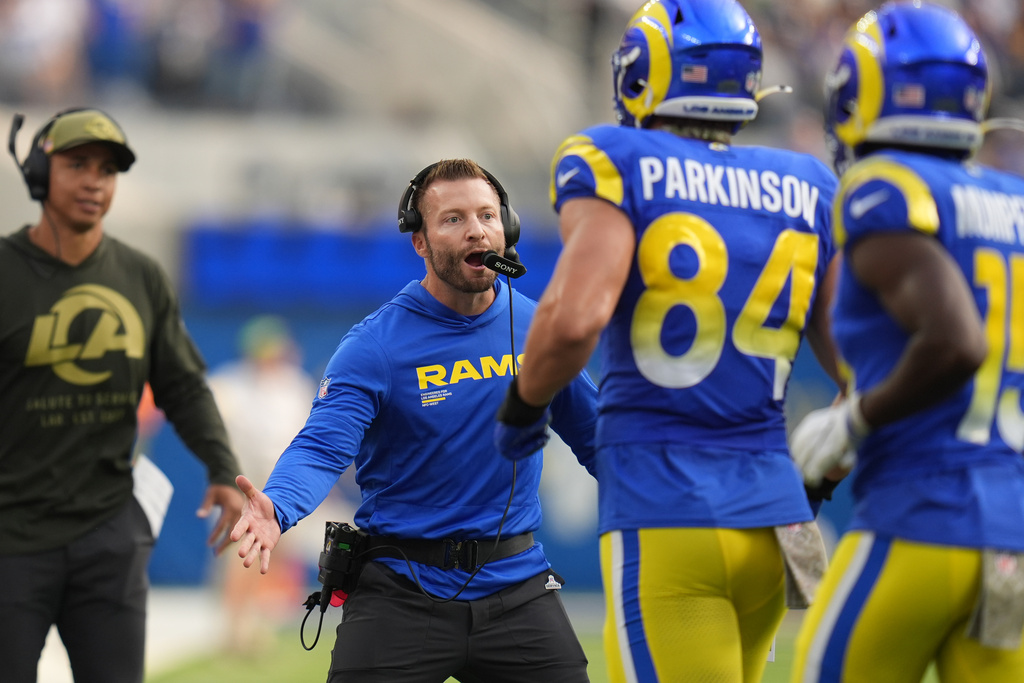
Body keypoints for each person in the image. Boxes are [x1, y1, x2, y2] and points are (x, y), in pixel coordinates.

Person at [493, 1, 844, 681]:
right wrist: (825, 467)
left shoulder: (615, 156)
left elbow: (573, 319)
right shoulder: (807, 182)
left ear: (640, 75)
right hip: (774, 517)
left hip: (667, 506)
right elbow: (866, 371)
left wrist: (521, 411)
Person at [230, 158, 599, 683]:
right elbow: (320, 448)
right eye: (452, 219)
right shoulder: (374, 345)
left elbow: (600, 441)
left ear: (507, 229)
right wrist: (279, 507)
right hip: (401, 593)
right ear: (420, 242)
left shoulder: (539, 327)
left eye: (488, 216)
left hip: (517, 588)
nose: (476, 229)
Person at [788, 3, 1024, 681]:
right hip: (1012, 535)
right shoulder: (1013, 197)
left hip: (922, 517)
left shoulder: (885, 187)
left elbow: (956, 342)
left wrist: (857, 417)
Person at [0, 107, 245, 683]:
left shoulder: (140, 275)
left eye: (108, 170)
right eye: (77, 164)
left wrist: (221, 465)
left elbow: (182, 383)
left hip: (107, 538)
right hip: (9, 540)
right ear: (39, 172)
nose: (94, 181)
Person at [209, 314, 352, 653]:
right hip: (249, 483)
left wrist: (319, 483)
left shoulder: (293, 384)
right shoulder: (232, 385)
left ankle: (258, 624)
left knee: (285, 552)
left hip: (290, 482)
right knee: (241, 556)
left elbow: (310, 440)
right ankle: (234, 629)